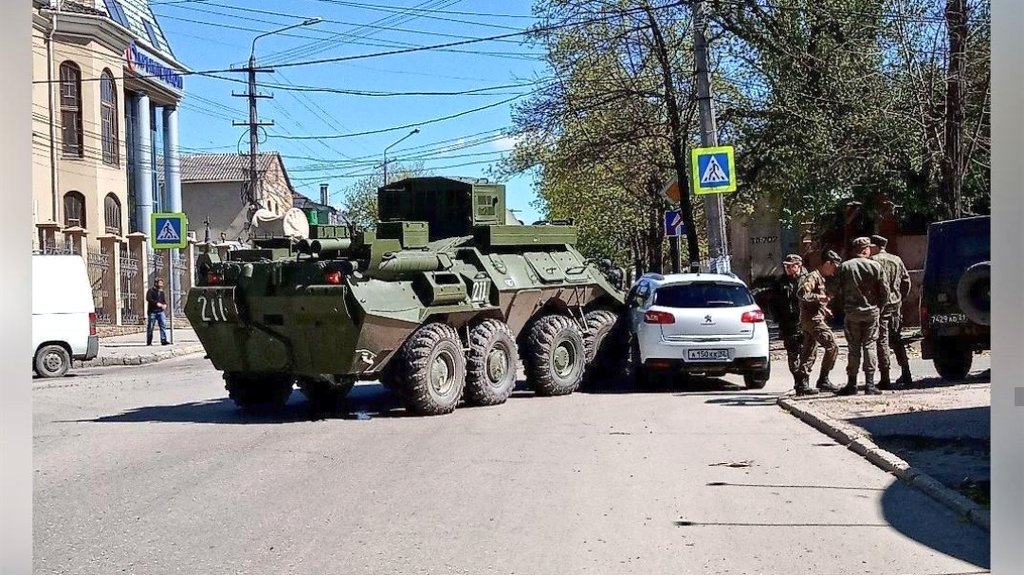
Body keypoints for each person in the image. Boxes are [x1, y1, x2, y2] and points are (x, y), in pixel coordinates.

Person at [833, 237, 890, 395]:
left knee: (853, 348)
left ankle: (851, 383)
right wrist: (880, 307)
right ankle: (870, 384)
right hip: (871, 312)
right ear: (866, 250)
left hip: (852, 312)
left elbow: (836, 290)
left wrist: (842, 307)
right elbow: (885, 291)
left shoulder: (845, 267)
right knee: (870, 345)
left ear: (854, 250)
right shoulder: (876, 266)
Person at [796, 250, 843, 394]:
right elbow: (802, 294)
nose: (835, 270)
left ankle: (801, 384)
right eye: (833, 266)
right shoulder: (813, 277)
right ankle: (823, 380)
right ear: (827, 263)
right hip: (812, 320)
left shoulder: (821, 278)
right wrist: (818, 298)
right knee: (832, 346)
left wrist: (824, 308)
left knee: (809, 350)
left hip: (813, 318)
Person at [870, 234, 913, 389]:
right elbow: (906, 281)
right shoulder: (897, 260)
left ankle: (885, 377)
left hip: (880, 307)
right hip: (895, 306)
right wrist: (900, 297)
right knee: (897, 339)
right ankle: (906, 372)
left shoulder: (872, 262)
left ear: (875, 246)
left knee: (882, 341)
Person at [771, 254, 814, 395]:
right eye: (786, 266)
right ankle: (798, 382)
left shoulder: (810, 279)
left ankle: (805, 382)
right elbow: (773, 304)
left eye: (791, 266)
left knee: (808, 354)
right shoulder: (780, 282)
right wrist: (778, 319)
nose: (788, 268)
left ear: (798, 265)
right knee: (793, 354)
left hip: (806, 322)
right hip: (788, 324)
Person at [146, 277, 169, 346]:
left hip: (161, 311)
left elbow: (163, 300)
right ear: (156, 283)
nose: (161, 285)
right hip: (153, 311)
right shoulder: (151, 291)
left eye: (162, 283)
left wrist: (164, 305)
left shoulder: (161, 292)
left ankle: (163, 340)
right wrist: (156, 303)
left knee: (163, 325)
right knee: (150, 327)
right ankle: (149, 341)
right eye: (160, 283)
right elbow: (149, 299)